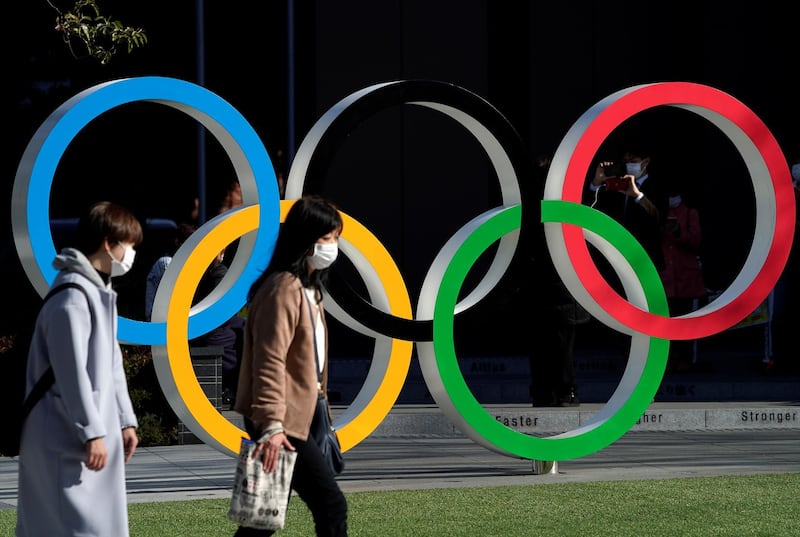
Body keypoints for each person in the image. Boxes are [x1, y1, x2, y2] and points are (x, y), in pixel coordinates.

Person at [16, 201, 141, 537]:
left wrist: (125, 419)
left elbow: (111, 362)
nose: (130, 253)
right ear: (107, 242)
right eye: (128, 244)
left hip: (80, 431)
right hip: (62, 433)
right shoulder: (73, 296)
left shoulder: (96, 290)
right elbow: (71, 371)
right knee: (67, 524)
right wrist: (93, 431)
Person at [233, 195, 348, 536]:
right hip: (281, 419)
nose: (334, 247)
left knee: (261, 519)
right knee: (331, 505)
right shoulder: (283, 288)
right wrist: (271, 426)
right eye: (329, 238)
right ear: (307, 240)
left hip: (300, 416)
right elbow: (269, 361)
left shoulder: (307, 289)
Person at [521, 155, 589, 407]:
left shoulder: (529, 208)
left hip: (547, 290)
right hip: (558, 289)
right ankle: (562, 391)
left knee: (544, 346)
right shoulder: (563, 206)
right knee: (560, 347)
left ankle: (547, 391)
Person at [588, 144, 668, 274]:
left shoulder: (658, 186)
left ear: (646, 161)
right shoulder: (617, 184)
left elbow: (659, 219)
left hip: (646, 260)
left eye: (633, 161)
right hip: (618, 259)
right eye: (626, 162)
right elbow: (592, 207)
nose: (629, 165)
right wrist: (597, 181)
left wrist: (638, 196)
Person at [190, 247, 246, 407]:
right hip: (212, 331)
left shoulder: (204, 273)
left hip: (202, 329)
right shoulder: (219, 273)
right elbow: (221, 310)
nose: (221, 255)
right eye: (220, 252)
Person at [659, 190, 707, 372]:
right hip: (665, 278)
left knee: (686, 323)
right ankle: (667, 361)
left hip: (685, 278)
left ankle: (686, 360)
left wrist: (679, 232)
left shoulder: (689, 213)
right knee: (664, 323)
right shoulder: (658, 211)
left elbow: (696, 240)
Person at [144, 222, 197, 320]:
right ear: (177, 242)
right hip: (161, 321)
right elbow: (178, 294)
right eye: (188, 244)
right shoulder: (166, 262)